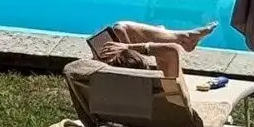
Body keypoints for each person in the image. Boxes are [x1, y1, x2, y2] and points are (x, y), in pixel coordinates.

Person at [86, 20, 215, 83]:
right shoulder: (170, 95)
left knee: (120, 29)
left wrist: (98, 60)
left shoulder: (104, 89)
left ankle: (181, 37)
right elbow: (171, 50)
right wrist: (128, 47)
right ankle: (182, 38)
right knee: (120, 28)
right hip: (164, 118)